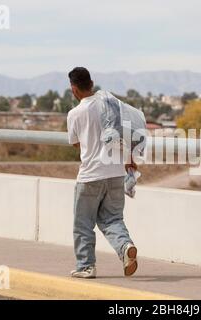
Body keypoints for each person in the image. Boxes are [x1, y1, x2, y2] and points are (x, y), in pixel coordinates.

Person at [66, 67, 138, 279]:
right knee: (113, 219)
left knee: (83, 224)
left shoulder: (75, 114)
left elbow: (77, 144)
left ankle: (86, 266)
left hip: (90, 176)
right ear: (92, 83)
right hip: (116, 172)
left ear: (74, 89)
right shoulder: (110, 104)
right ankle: (125, 246)